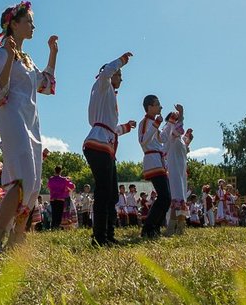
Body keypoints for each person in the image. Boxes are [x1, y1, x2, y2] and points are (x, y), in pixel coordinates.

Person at [0, 1, 58, 260]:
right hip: (12, 119)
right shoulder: (1, 55)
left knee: (33, 183)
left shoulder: (28, 60)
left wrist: (53, 54)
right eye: (29, 21)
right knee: (22, 177)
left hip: (31, 122)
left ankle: (16, 243)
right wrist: (11, 58)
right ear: (13, 24)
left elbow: (44, 86)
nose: (33, 25)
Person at [82, 53, 135, 247]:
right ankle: (99, 237)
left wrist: (126, 128)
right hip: (98, 144)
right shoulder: (102, 85)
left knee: (111, 194)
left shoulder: (108, 95)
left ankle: (108, 234)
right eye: (118, 74)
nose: (121, 77)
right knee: (104, 191)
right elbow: (105, 73)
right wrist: (120, 61)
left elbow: (111, 128)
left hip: (105, 144)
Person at [137, 94, 170, 238]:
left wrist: (170, 124)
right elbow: (143, 140)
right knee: (164, 196)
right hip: (152, 159)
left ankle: (154, 227)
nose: (160, 107)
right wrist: (156, 125)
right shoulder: (145, 122)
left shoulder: (153, 123)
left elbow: (162, 138)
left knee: (166, 197)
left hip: (158, 159)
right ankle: (148, 228)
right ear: (150, 107)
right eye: (158, 104)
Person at [163, 104, 191, 235]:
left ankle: (180, 227)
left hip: (181, 171)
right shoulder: (171, 133)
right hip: (174, 170)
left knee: (181, 198)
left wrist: (187, 140)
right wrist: (182, 112)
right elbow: (178, 130)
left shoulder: (178, 138)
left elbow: (183, 147)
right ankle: (172, 228)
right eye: (175, 118)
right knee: (177, 198)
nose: (178, 120)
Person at [47, 166, 75, 231]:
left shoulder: (51, 179)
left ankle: (53, 228)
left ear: (54, 171)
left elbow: (48, 186)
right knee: (59, 214)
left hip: (53, 199)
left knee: (54, 214)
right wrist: (66, 189)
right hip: (60, 199)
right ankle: (56, 228)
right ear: (61, 171)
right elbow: (72, 186)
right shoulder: (64, 179)